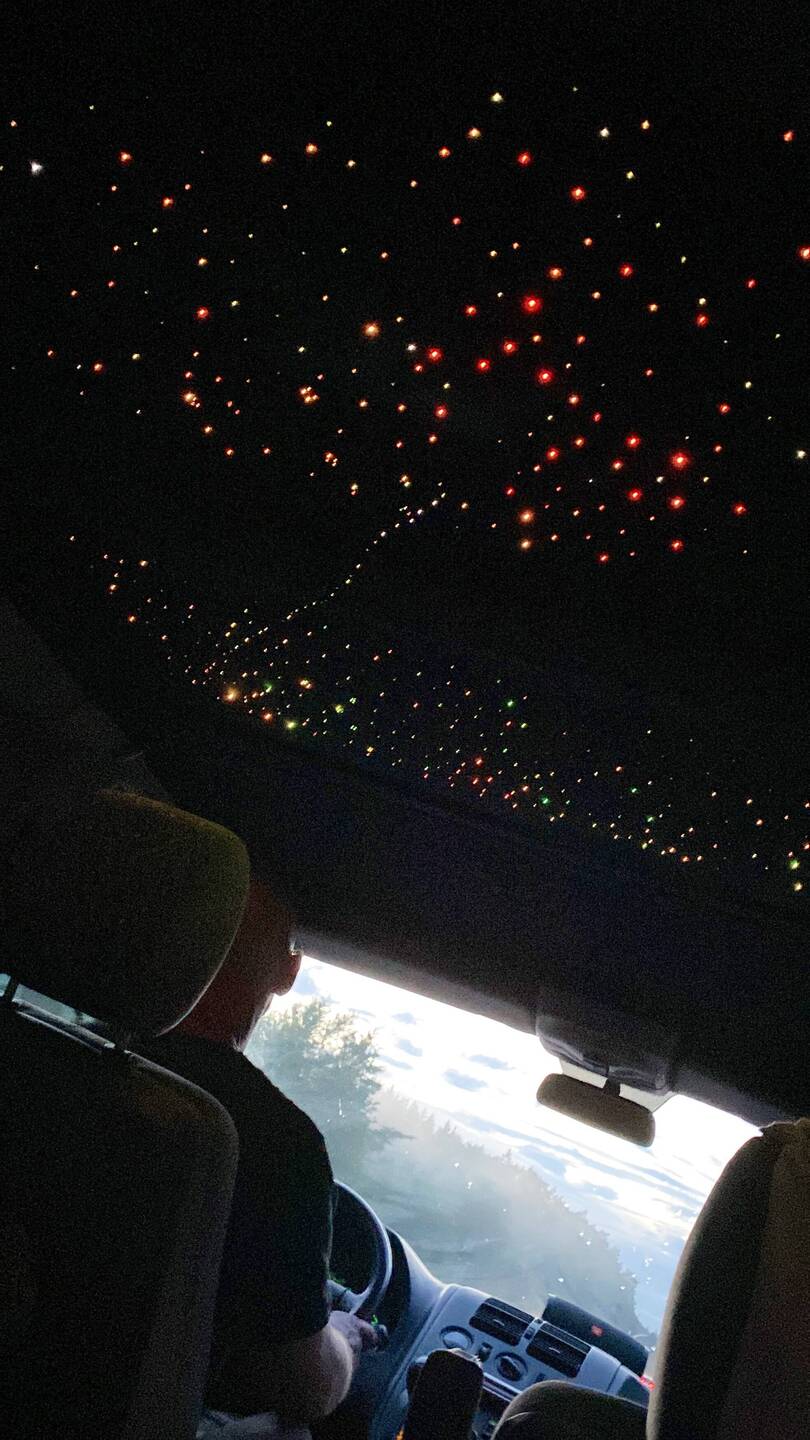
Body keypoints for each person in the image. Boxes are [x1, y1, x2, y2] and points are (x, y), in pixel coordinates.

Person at [140, 874, 379, 1427]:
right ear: (290, 970)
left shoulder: (40, 1052)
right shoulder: (279, 1146)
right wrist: (342, 1338)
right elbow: (303, 1389)